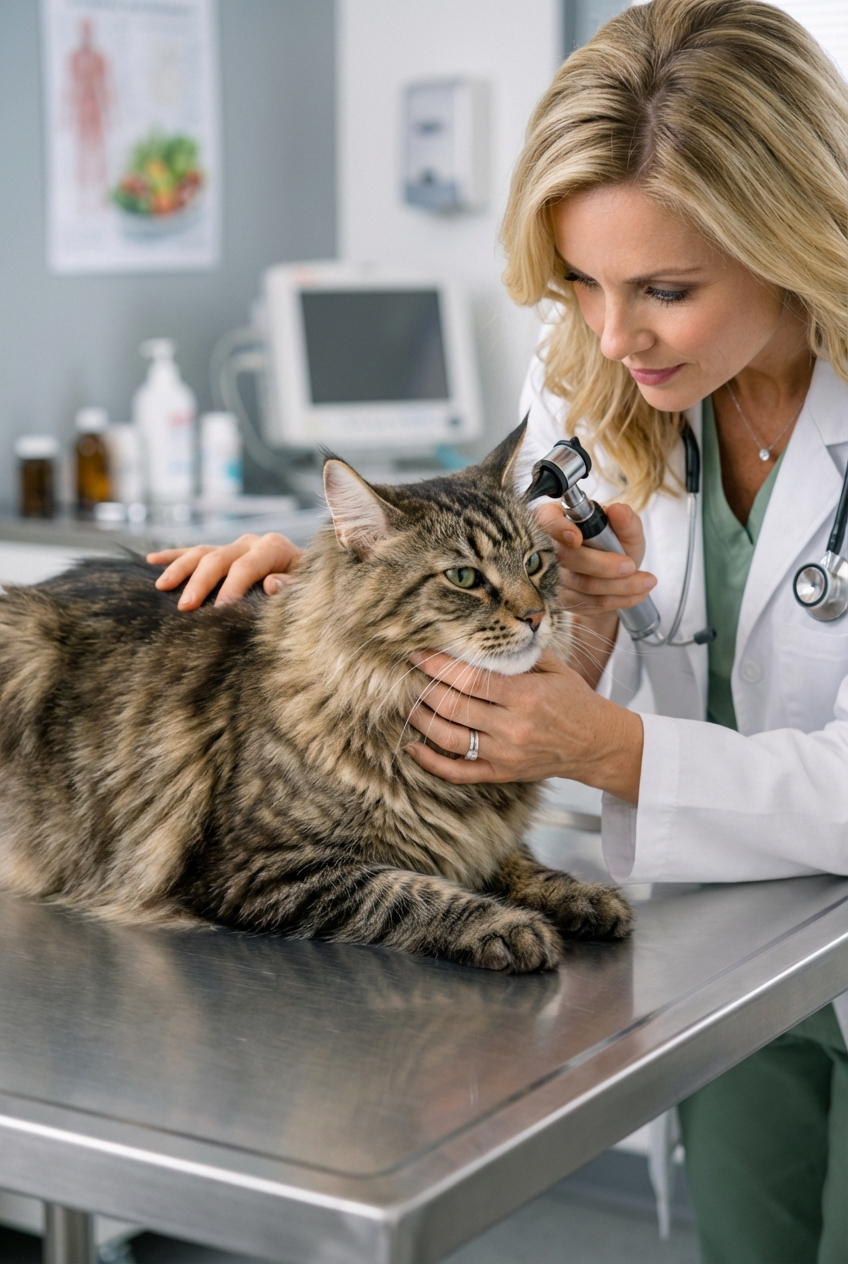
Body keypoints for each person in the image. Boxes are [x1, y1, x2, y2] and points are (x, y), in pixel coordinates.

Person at [149, 1, 847, 1258]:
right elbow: (489, 593)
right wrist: (316, 607)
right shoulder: (595, 367)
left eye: (664, 290)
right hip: (725, 941)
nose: (606, 334)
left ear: (789, 236)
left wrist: (610, 751)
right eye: (577, 280)